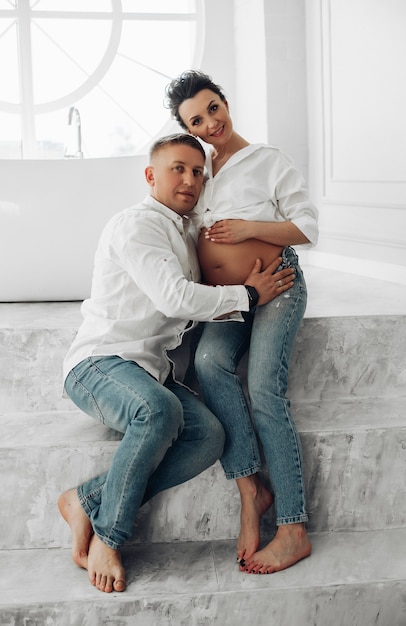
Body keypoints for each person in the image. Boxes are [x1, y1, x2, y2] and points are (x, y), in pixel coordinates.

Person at [58, 133, 296, 593]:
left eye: (198, 171)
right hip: (100, 364)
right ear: (151, 176)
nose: (190, 180)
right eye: (178, 169)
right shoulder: (137, 225)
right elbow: (174, 297)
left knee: (209, 436)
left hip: (152, 373)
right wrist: (247, 295)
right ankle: (109, 535)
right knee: (158, 411)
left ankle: (85, 500)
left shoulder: (191, 231)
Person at [165, 71, 319, 575]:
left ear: (225, 101)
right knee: (209, 363)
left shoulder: (269, 160)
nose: (211, 123)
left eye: (213, 108)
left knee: (263, 387)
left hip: (278, 284)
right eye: (196, 120)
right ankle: (250, 490)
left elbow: (307, 226)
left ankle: (294, 528)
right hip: (233, 298)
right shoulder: (201, 172)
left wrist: (251, 229)